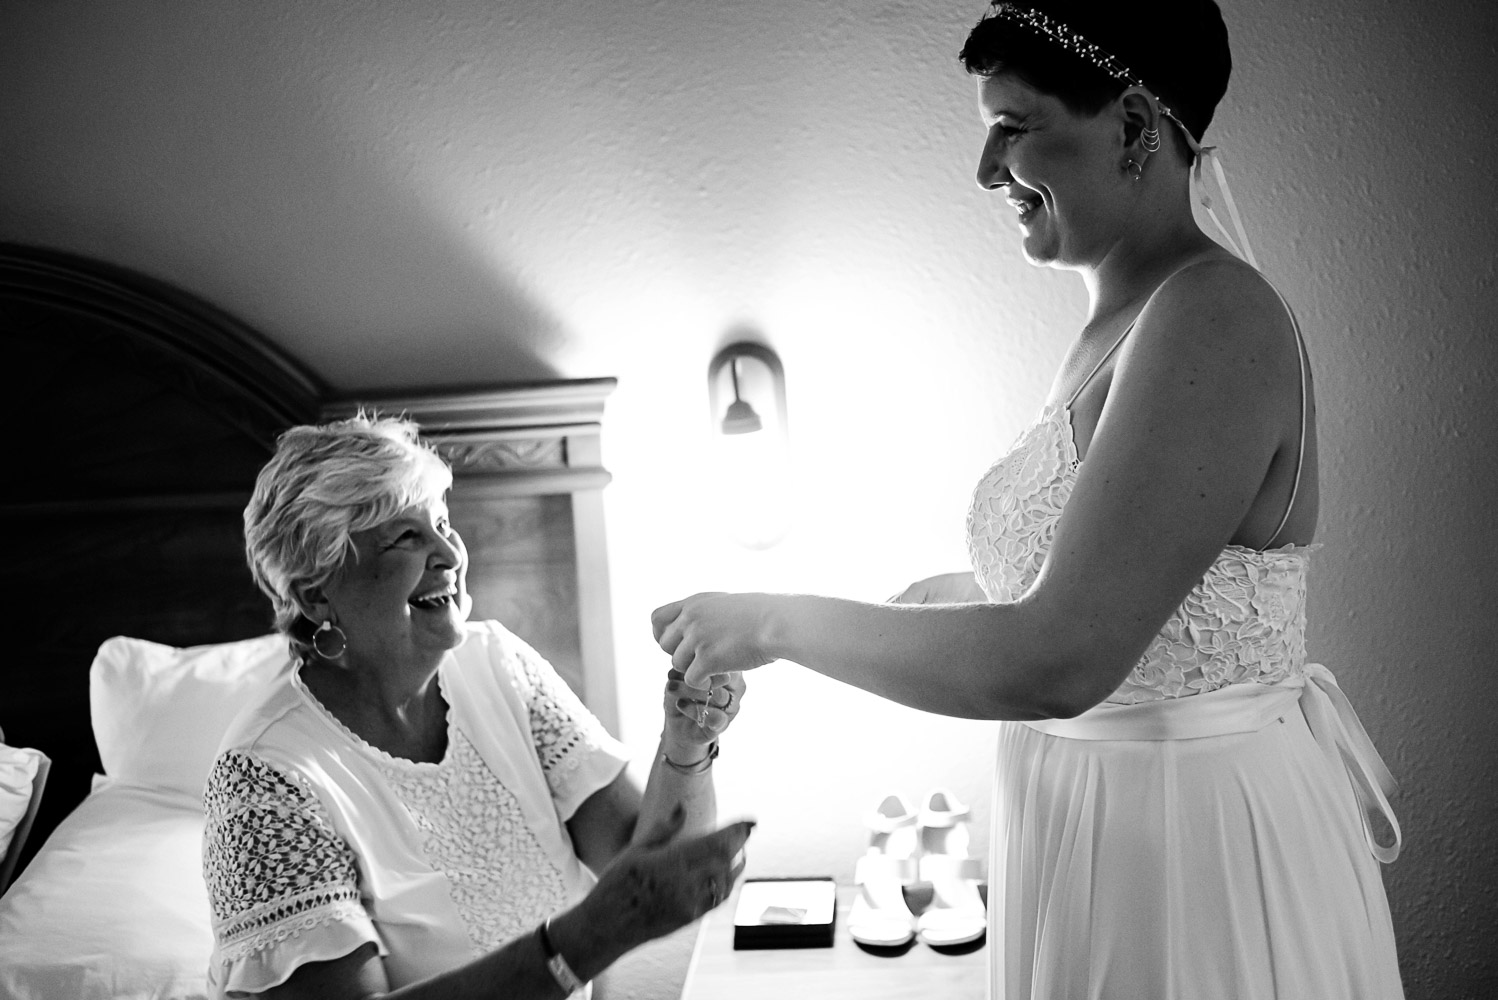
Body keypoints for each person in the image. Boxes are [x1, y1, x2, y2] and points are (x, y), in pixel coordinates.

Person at [650, 2, 1403, 997]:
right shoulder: (1126, 320)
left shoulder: (1213, 317)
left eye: (1012, 127)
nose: (985, 169)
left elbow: (1061, 657)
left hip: (1189, 849)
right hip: (1099, 824)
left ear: (1132, 125)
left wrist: (777, 621)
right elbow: (1135, 585)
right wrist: (962, 593)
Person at [202, 414, 752, 999]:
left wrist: (686, 741)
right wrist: (584, 939)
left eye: (441, 523)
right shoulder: (263, 779)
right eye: (404, 537)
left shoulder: (497, 664)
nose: (449, 553)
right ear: (316, 593)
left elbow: (649, 865)